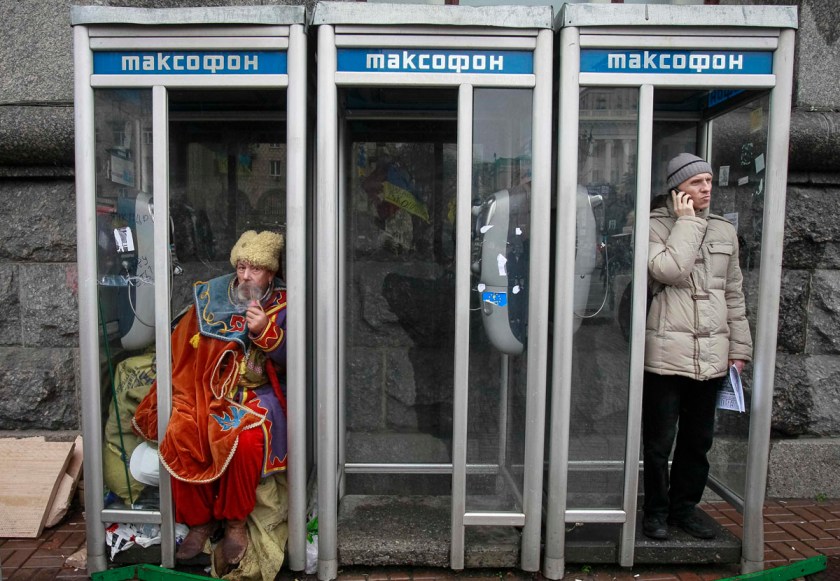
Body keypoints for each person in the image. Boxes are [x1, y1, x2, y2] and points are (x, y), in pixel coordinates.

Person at [133, 230, 288, 567]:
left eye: (256, 269)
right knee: (181, 430)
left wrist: (265, 331)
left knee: (246, 440)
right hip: (205, 391)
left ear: (271, 273)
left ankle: (234, 523)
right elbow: (183, 348)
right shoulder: (212, 296)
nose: (245, 276)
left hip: (255, 395)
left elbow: (302, 361)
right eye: (242, 267)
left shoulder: (284, 304)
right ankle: (199, 523)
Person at [642, 153, 752, 541]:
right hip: (665, 356)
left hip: (712, 357)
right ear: (677, 190)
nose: (706, 189)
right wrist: (686, 223)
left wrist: (739, 350)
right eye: (696, 183)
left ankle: (683, 510)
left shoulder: (723, 231)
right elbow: (668, 270)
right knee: (658, 443)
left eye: (708, 181)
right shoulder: (653, 226)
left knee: (697, 441)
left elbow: (734, 295)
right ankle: (654, 512)